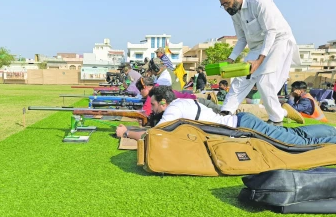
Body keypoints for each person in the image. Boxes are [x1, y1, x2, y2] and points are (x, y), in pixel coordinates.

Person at [116, 86, 336, 146]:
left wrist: (126, 132)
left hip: (243, 128)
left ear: (163, 103)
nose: (151, 109)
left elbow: (154, 135)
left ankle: (331, 139)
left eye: (153, 105)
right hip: (242, 124)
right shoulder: (181, 103)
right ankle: (330, 131)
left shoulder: (173, 109)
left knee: (296, 143)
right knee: (291, 134)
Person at [217, 0, 300, 126]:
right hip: (257, 47)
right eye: (223, 5)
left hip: (278, 40)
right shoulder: (234, 13)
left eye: (227, 3)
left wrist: (258, 61)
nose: (225, 8)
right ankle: (225, 114)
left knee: (264, 81)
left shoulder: (260, 2)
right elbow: (242, 39)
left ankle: (276, 120)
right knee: (240, 79)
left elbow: (271, 32)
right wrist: (230, 60)